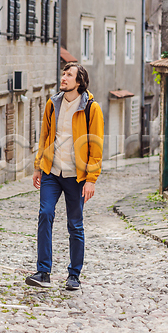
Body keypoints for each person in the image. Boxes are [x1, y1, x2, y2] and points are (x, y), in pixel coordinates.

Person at [25, 62, 104, 291]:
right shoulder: (53, 103)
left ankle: (74, 275)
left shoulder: (92, 107)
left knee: (75, 225)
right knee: (45, 214)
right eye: (63, 73)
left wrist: (91, 179)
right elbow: (45, 136)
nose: (64, 77)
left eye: (69, 75)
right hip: (52, 171)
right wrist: (38, 166)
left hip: (76, 176)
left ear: (79, 82)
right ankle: (43, 272)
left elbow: (96, 145)